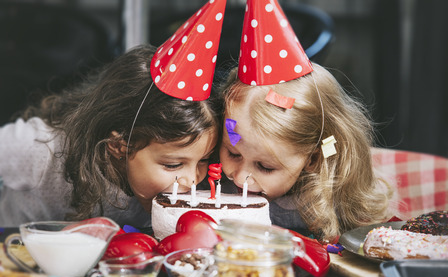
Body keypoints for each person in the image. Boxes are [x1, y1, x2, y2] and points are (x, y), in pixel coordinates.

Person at [0, 44, 223, 227]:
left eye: (203, 160)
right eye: (173, 165)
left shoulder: (190, 183)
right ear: (118, 145)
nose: (193, 180)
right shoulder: (40, 150)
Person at [218, 64, 393, 242]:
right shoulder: (207, 182)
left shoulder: (328, 206)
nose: (240, 178)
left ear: (313, 159)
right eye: (233, 153)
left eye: (265, 167)